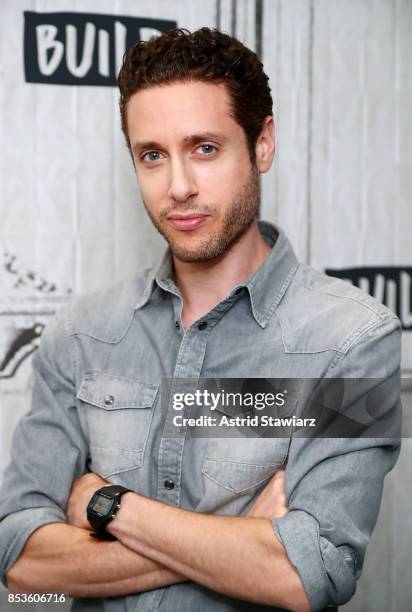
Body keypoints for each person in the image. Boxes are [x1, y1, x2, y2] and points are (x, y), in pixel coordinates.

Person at [0, 27, 401, 612]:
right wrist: (237, 540)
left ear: (262, 144)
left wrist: (108, 505)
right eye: (152, 156)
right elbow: (23, 566)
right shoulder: (80, 334)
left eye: (205, 148)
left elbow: (311, 574)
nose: (179, 187)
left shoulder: (353, 341)